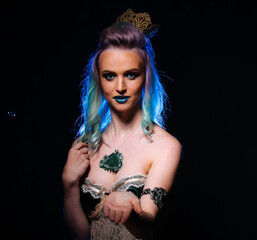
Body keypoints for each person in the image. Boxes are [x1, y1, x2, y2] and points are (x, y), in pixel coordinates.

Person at [62, 9, 181, 240]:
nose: (120, 87)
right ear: (98, 79)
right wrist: (68, 185)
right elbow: (80, 236)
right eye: (109, 75)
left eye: (131, 74)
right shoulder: (84, 144)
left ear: (146, 77)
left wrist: (130, 211)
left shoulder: (166, 146)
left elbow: (147, 223)